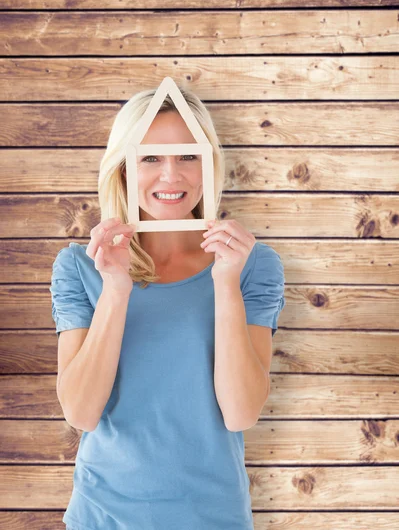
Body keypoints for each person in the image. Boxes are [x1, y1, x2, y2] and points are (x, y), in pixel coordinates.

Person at [50, 84, 286, 529]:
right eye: (152, 158)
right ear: (124, 167)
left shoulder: (253, 266)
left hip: (213, 518)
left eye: (187, 156)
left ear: (208, 165)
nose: (171, 175)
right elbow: (81, 412)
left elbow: (240, 413)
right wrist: (116, 290)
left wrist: (224, 283)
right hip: (102, 518)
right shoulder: (79, 268)